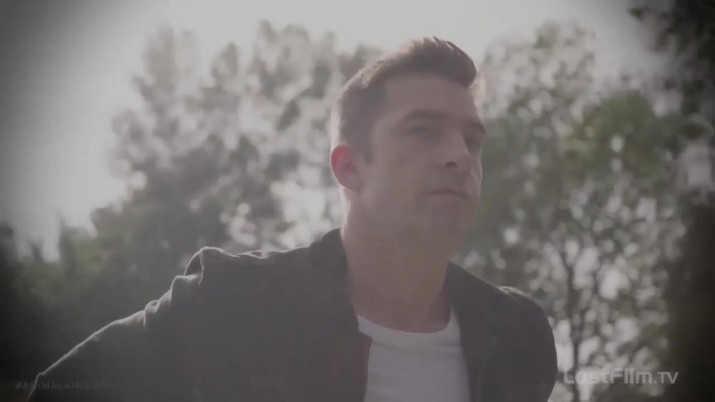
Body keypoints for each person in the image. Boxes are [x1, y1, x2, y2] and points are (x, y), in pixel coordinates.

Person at [28, 37, 557, 402]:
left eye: (472, 140)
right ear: (349, 167)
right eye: (424, 131)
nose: (460, 155)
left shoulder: (516, 336)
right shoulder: (232, 303)